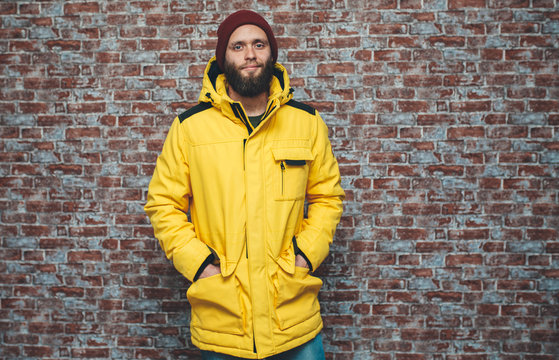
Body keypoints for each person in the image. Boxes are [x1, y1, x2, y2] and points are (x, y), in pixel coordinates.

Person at [144, 10, 344, 360]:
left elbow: (328, 198)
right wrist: (202, 265)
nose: (250, 54)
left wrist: (303, 257)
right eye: (238, 46)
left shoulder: (307, 123)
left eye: (259, 44)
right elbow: (163, 205)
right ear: (223, 59)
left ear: (272, 54)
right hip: (224, 322)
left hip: (293, 319)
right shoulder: (190, 129)